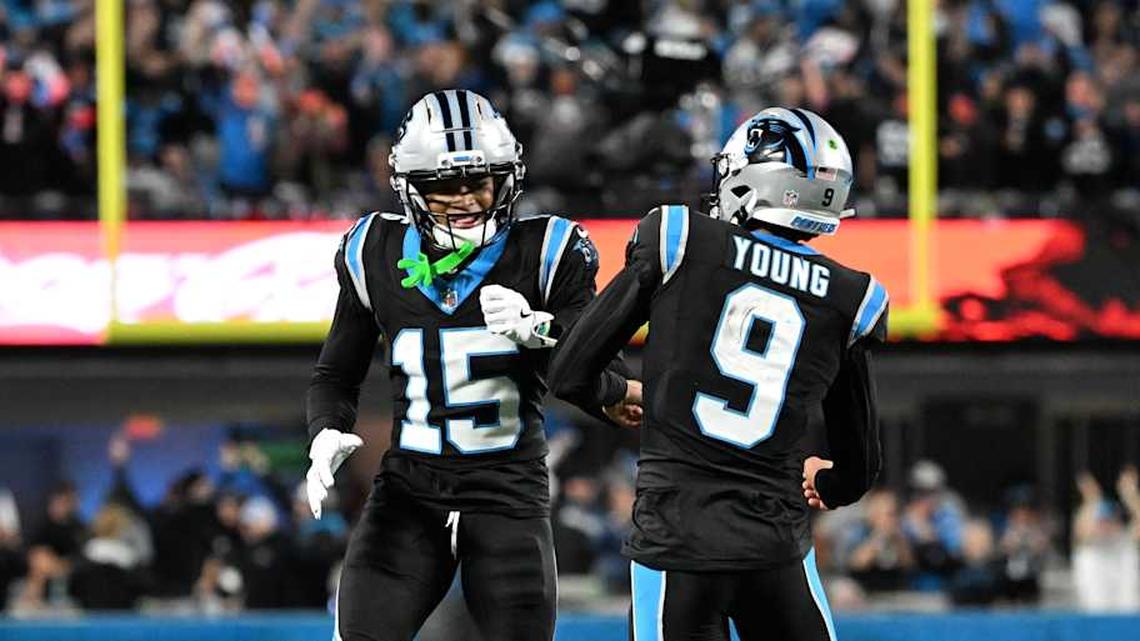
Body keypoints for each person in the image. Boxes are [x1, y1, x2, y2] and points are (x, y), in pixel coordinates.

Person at [304, 89, 640, 641]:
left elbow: (603, 385)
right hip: (408, 493)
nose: (464, 199)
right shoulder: (374, 250)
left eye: (477, 182)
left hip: (507, 493)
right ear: (411, 190)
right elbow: (335, 374)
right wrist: (325, 431)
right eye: (443, 187)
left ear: (506, 180)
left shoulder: (549, 251)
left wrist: (541, 332)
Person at [550, 107, 885, 641]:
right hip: (775, 551)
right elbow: (859, 468)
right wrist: (828, 480)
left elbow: (569, 371)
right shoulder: (851, 296)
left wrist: (612, 393)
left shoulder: (681, 238)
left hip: (676, 541)